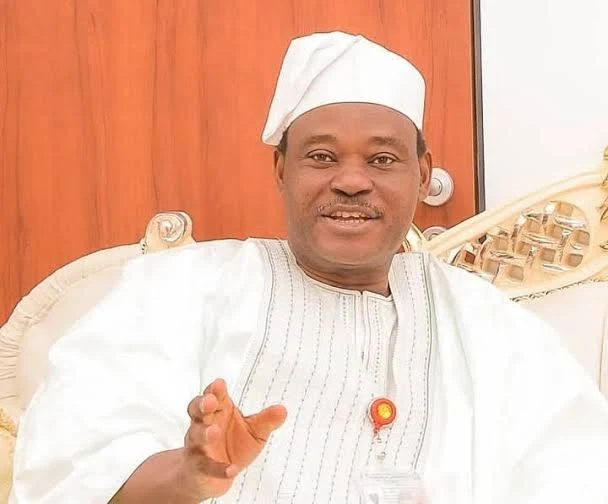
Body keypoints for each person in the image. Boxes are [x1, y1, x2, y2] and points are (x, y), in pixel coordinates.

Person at [10, 31, 608, 504]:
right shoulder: (178, 291)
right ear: (282, 170)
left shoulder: (490, 326)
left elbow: (573, 474)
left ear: (422, 175)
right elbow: (74, 469)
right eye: (322, 156)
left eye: (382, 159)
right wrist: (189, 475)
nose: (351, 181)